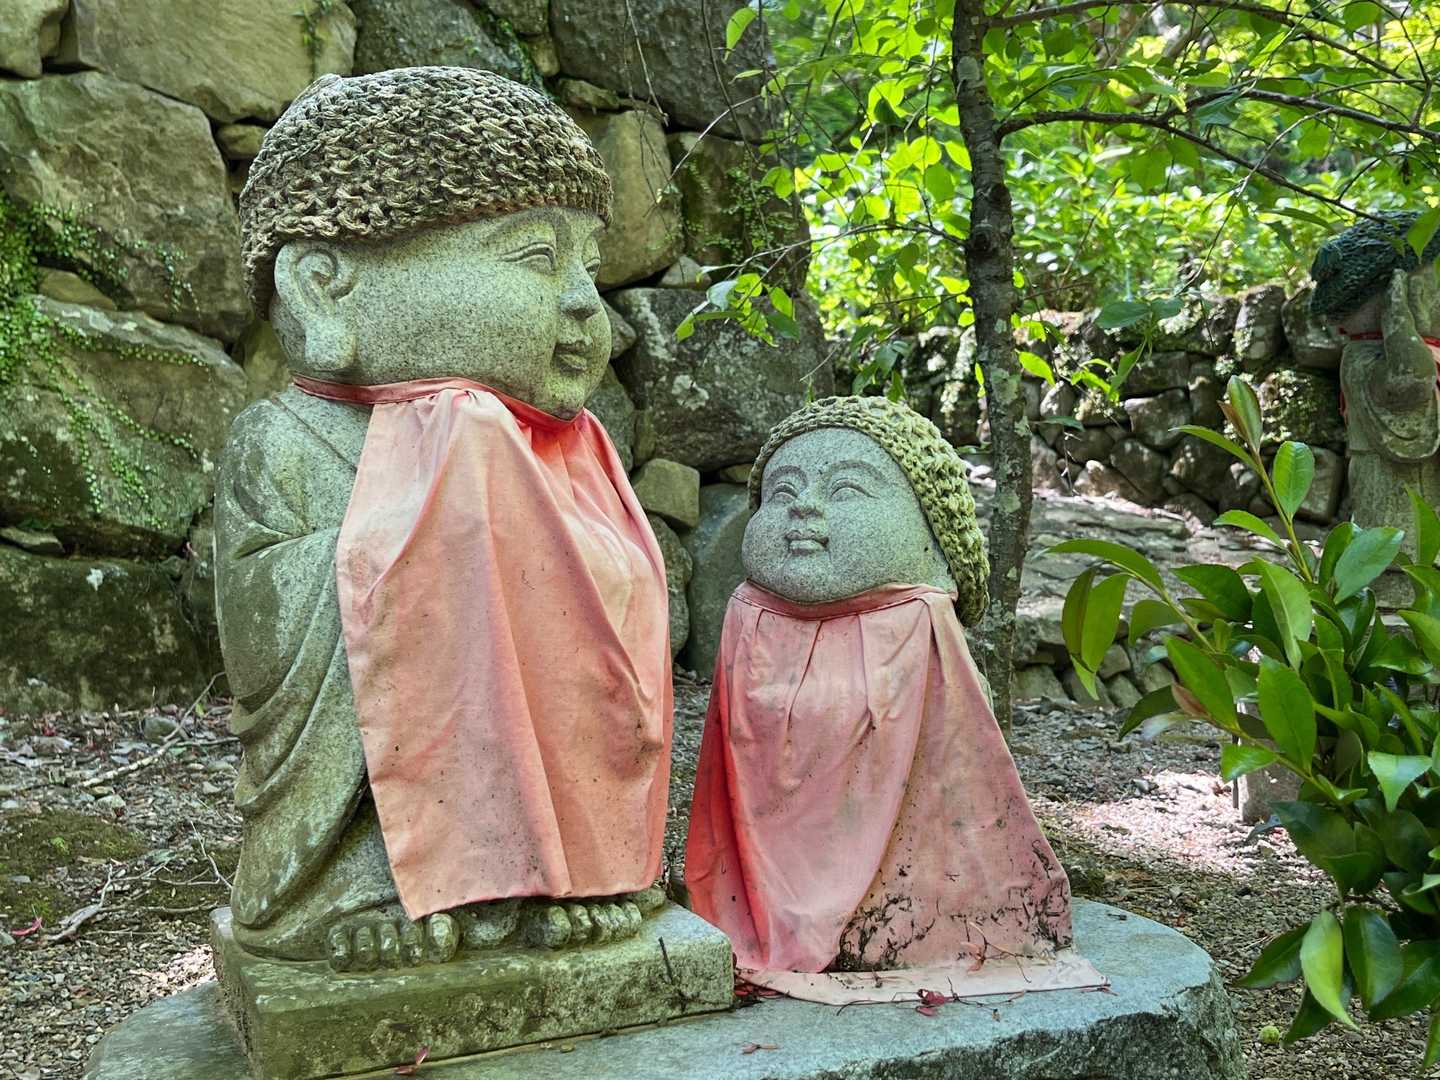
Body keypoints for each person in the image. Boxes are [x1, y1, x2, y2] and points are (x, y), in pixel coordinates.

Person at [215, 68, 670, 970]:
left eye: (587, 262)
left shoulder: (564, 453)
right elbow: (263, 631)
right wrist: (436, 544)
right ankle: (383, 879)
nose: (585, 303)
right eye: (536, 257)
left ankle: (557, 866)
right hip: (362, 831)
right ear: (324, 288)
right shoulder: (286, 438)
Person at [685, 396, 1077, 986]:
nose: (804, 507)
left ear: (932, 538)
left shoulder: (919, 620)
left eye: (846, 491)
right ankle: (766, 896)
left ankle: (868, 913)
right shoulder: (750, 614)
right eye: (783, 493)